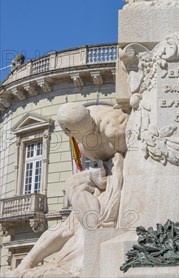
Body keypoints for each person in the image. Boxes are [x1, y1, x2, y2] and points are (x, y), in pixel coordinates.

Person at [13, 103, 129, 276]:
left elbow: (132, 157)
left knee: (72, 217)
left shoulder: (112, 128)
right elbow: (98, 160)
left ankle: (93, 227)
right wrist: (97, 171)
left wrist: (110, 175)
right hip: (102, 174)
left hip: (119, 171)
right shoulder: (81, 139)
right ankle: (28, 261)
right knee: (71, 194)